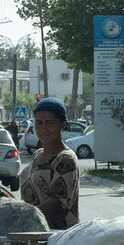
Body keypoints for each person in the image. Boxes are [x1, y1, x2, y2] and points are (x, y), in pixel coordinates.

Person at [19, 97, 79, 230]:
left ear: (62, 124)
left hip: (57, 237)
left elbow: (56, 204)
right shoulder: (38, 154)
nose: (43, 128)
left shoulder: (65, 159)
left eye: (50, 123)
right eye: (39, 123)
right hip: (33, 232)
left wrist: (22, 218)